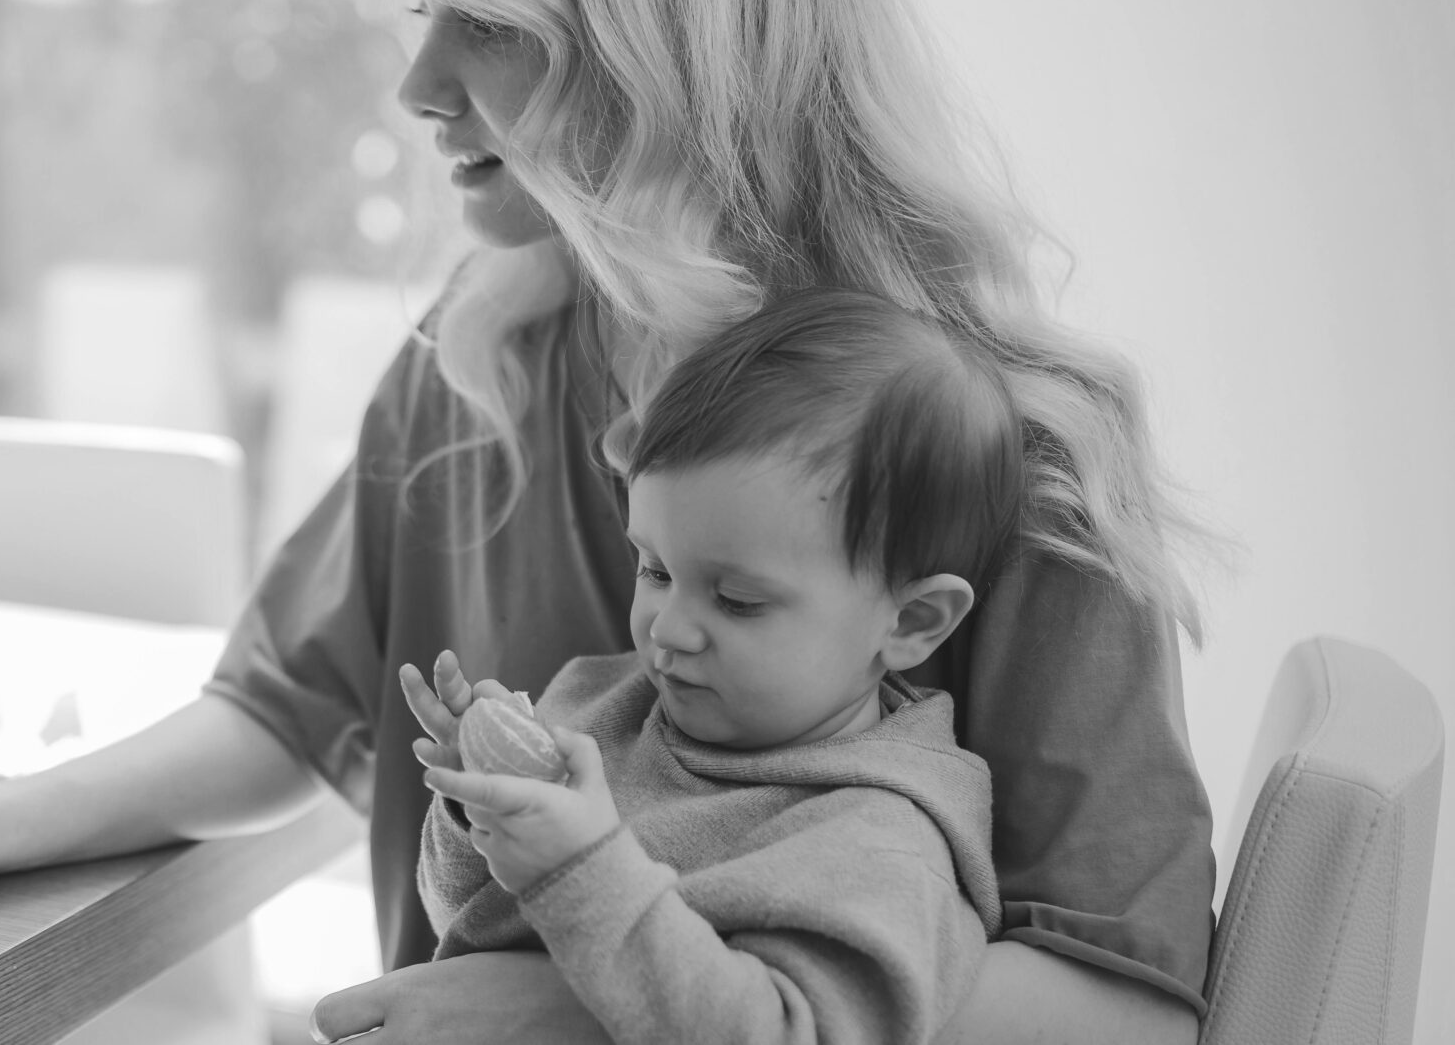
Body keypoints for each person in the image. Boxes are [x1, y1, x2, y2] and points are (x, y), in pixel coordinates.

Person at [0, 0, 1220, 1039]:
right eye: (422, 6)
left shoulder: (1006, 452)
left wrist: (603, 1004)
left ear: (675, 52)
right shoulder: (481, 356)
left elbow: (1122, 1003)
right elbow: (286, 706)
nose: (417, 87)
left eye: (494, 23)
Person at [405, 288, 1019, 1044]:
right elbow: (465, 928)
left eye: (736, 599)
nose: (667, 628)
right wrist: (482, 811)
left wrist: (583, 869)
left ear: (912, 620)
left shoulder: (879, 839)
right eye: (655, 569)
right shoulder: (598, 706)